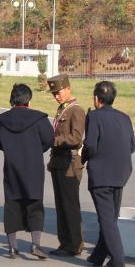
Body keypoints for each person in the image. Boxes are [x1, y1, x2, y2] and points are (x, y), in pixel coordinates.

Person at [0, 83, 54, 260]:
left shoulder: (3, 120)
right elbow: (49, 139)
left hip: (12, 166)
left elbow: (0, 143)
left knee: (12, 205)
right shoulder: (39, 118)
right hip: (33, 166)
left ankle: (12, 247)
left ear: (12, 98)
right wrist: (36, 150)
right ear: (29, 99)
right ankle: (35, 244)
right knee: (35, 204)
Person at [82, 80, 134, 267]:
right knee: (110, 216)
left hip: (102, 173)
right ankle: (98, 255)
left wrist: (83, 157)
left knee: (106, 219)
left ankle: (117, 260)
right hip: (121, 173)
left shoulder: (94, 117)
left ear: (97, 99)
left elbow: (91, 145)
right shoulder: (125, 118)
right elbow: (132, 146)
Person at [46, 74, 86, 257]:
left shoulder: (76, 110)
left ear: (68, 88)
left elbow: (76, 138)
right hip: (58, 161)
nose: (56, 96)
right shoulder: (62, 109)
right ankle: (65, 242)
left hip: (70, 162)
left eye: (59, 92)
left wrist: (55, 141)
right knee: (61, 205)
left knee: (70, 205)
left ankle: (75, 244)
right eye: (54, 93)